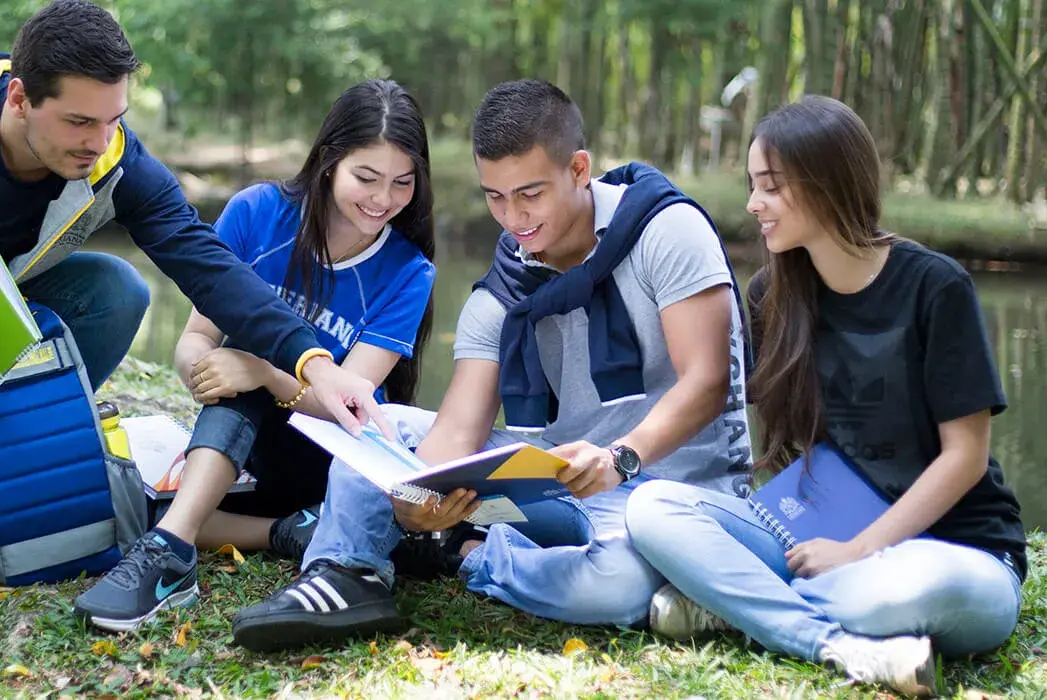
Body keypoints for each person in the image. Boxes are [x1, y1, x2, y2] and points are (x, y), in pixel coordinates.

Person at [0, 0, 393, 601]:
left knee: (116, 290)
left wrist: (313, 363)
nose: (98, 141)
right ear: (19, 97)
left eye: (113, 118)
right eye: (78, 121)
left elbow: (209, 267)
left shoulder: (111, 156)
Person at [229, 79, 754, 651]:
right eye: (495, 196)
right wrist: (413, 504)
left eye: (530, 193)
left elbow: (707, 382)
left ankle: (464, 554)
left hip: (671, 497)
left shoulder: (665, 230)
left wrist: (619, 458)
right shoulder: (503, 289)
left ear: (579, 169)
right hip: (559, 488)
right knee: (376, 425)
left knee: (617, 587)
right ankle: (344, 573)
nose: (513, 218)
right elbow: (457, 430)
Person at [622, 95, 1027, 697]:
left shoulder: (934, 287)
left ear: (827, 183)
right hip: (826, 540)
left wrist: (860, 550)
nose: (754, 204)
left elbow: (964, 457)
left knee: (911, 590)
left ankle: (732, 605)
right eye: (753, 185)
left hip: (955, 552)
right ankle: (822, 634)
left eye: (772, 187)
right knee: (652, 509)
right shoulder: (771, 296)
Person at [72, 79, 441, 632]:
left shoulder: (409, 272)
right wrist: (205, 372)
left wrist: (260, 371)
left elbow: (351, 406)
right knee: (140, 510)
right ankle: (279, 531)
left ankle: (172, 553)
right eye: (366, 177)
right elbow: (195, 341)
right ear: (328, 163)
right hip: (251, 449)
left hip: (337, 458)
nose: (382, 199)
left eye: (402, 183)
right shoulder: (258, 214)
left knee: (246, 365)